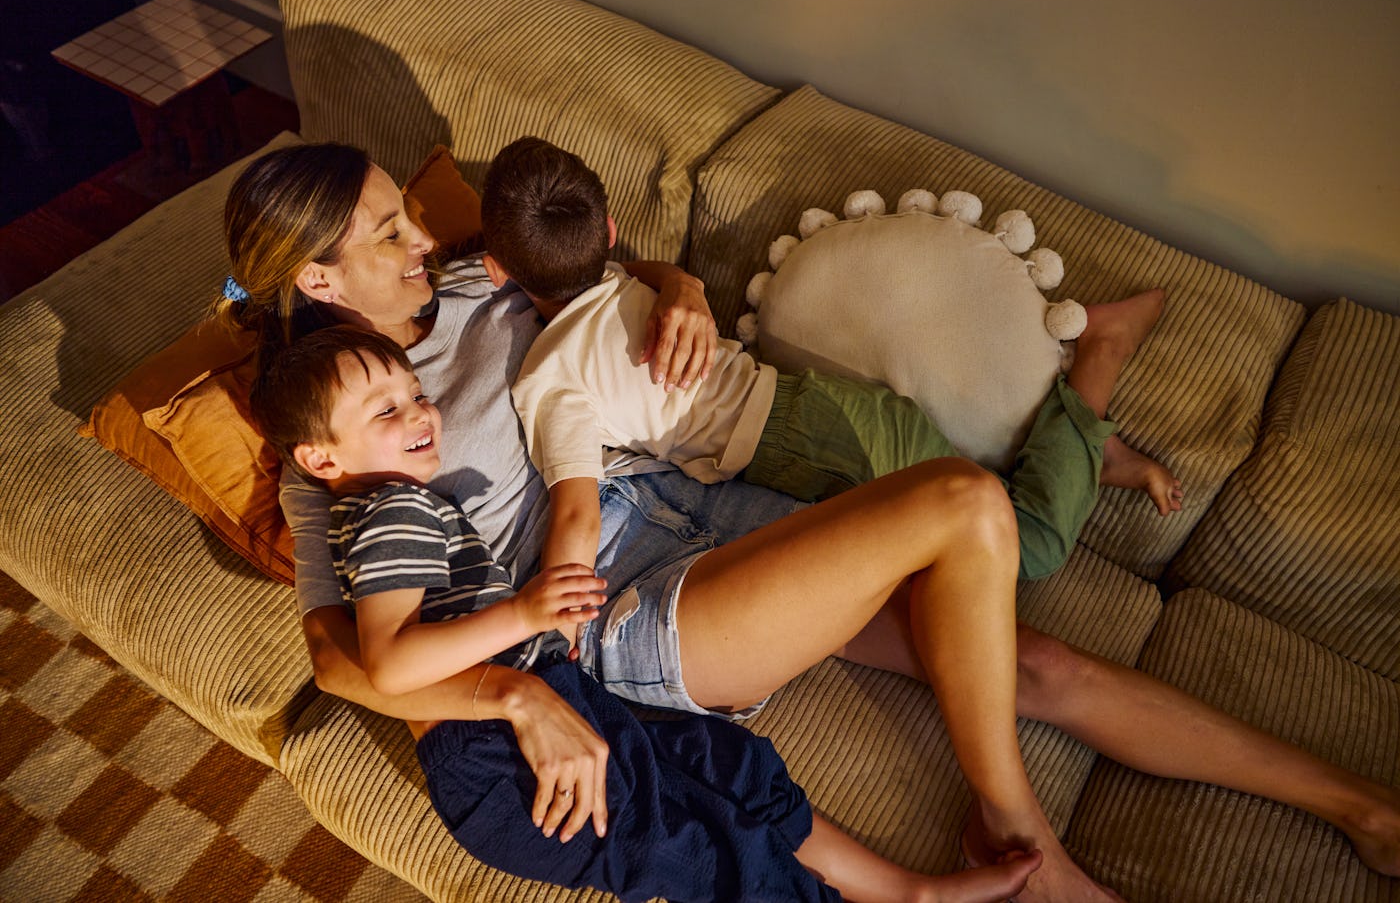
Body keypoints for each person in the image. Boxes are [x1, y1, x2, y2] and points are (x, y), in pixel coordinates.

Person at [219, 141, 1400, 903]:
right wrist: (518, 694)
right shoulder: (326, 440)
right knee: (961, 501)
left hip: (678, 499)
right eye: (385, 234)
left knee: (1026, 655)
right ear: (317, 283)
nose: (420, 236)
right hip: (609, 609)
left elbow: (603, 270)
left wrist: (681, 290)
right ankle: (1022, 837)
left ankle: (1364, 809)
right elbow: (348, 664)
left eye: (403, 215)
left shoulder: (475, 278)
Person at [248, 323, 1042, 902]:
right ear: (321, 460)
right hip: (495, 758)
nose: (421, 414)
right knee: (710, 851)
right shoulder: (391, 514)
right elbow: (387, 663)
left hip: (555, 694)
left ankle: (907, 893)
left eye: (415, 394)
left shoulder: (399, 503)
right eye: (387, 413)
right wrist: (526, 614)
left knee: (729, 767)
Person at [484, 136, 1182, 591]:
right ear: (606, 231)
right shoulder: (619, 279)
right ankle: (1087, 453)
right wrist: (675, 284)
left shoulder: (547, 377)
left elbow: (576, 515)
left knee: (1026, 552)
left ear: (495, 271)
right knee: (966, 519)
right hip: (815, 417)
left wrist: (557, 621)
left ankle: (1099, 363)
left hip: (817, 444)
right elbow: (622, 274)